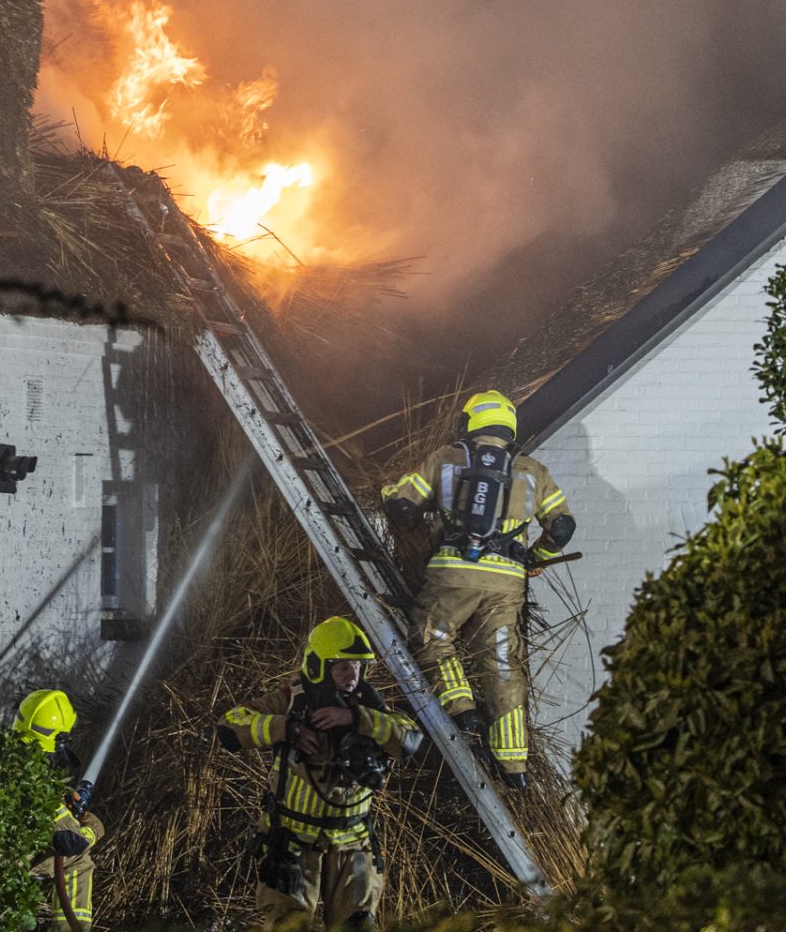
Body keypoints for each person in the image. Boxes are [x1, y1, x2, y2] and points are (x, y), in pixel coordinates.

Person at [382, 388, 575, 790]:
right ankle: (514, 765)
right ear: (509, 427)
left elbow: (402, 504)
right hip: (507, 581)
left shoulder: (446, 459)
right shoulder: (534, 471)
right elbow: (562, 527)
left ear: (468, 424)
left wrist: (390, 496)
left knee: (432, 635)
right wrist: (535, 557)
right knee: (503, 663)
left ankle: (461, 706)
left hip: (453, 571)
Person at [216, 615, 421, 931]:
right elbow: (230, 725)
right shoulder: (290, 701)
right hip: (294, 842)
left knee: (359, 925)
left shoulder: (368, 706)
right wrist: (285, 728)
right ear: (319, 665)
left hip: (354, 843)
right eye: (342, 667)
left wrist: (355, 718)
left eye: (357, 667)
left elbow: (409, 738)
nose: (352, 676)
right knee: (291, 925)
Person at [15, 688, 106, 930]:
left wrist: (66, 803)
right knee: (79, 860)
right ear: (58, 737)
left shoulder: (8, 755)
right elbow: (70, 841)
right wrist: (93, 830)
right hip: (8, 865)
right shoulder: (35, 776)